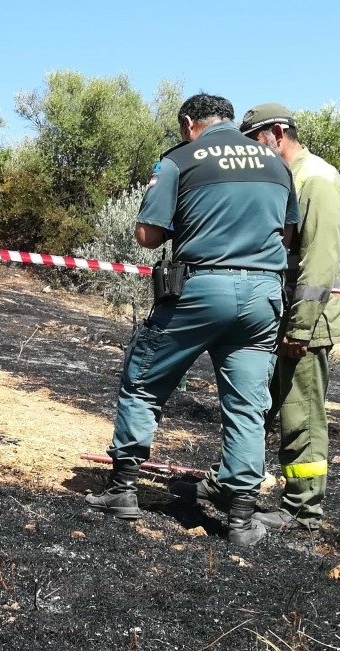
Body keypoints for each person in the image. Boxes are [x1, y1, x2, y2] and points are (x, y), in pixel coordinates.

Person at [85, 94, 300, 546]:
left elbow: (148, 236)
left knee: (143, 382)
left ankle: (123, 489)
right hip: (263, 297)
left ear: (189, 123)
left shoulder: (180, 160)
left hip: (199, 291)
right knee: (247, 405)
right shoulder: (276, 164)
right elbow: (287, 233)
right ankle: (240, 518)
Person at [241, 103, 340, 531]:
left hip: (308, 321)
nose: (251, 150)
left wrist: (301, 328)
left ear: (277, 132)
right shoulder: (287, 178)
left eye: (253, 140)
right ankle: (234, 483)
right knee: (262, 404)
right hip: (284, 316)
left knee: (301, 413)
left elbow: (318, 265)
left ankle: (302, 510)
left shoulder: (318, 180)